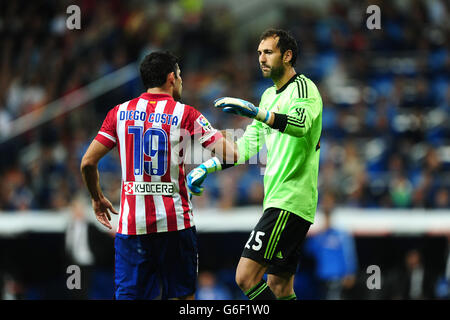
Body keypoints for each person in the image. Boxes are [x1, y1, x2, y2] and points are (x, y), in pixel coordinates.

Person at [80, 51, 237, 300]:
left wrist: (97, 197)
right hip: (175, 224)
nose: (182, 81)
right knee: (183, 298)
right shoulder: (186, 114)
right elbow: (231, 154)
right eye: (181, 76)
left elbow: (88, 163)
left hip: (132, 226)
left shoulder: (119, 113)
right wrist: (218, 142)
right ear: (171, 78)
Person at [187, 28, 323, 300]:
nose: (261, 58)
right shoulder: (268, 96)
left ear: (287, 56)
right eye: (259, 53)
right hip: (281, 201)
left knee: (245, 277)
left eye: (268, 52)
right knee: (280, 287)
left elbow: (298, 126)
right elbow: (244, 149)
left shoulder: (304, 88)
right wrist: (206, 167)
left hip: (290, 200)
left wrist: (254, 112)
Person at [304, 191, 358, 300]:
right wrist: (320, 233)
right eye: (325, 201)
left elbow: (349, 254)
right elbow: (310, 251)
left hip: (336, 277)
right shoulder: (319, 232)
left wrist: (350, 272)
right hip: (321, 277)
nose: (327, 204)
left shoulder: (341, 231)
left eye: (329, 201)